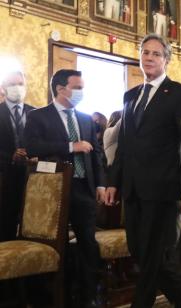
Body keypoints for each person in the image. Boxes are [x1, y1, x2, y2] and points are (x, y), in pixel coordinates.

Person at [105, 33, 181, 308]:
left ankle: (142, 303)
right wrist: (114, 181)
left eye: (156, 53)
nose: (149, 57)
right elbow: (124, 144)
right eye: (145, 52)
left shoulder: (180, 94)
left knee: (151, 251)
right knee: (139, 249)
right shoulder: (130, 95)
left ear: (166, 59)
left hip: (163, 186)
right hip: (133, 187)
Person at [24, 69, 105, 307]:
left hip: (84, 188)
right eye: (77, 87)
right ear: (61, 89)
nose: (81, 92)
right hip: (54, 191)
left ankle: (89, 295)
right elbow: (32, 146)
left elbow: (97, 155)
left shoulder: (85, 118)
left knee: (88, 244)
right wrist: (71, 146)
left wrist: (100, 183)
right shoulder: (38, 116)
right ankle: (53, 296)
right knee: (54, 246)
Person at [0, 71, 35, 241]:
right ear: (3, 88)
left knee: (33, 223)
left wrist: (36, 154)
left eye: (20, 84)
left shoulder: (36, 113)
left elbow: (44, 142)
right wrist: (10, 157)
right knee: (6, 224)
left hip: (34, 178)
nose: (17, 88)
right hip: (4, 178)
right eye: (12, 84)